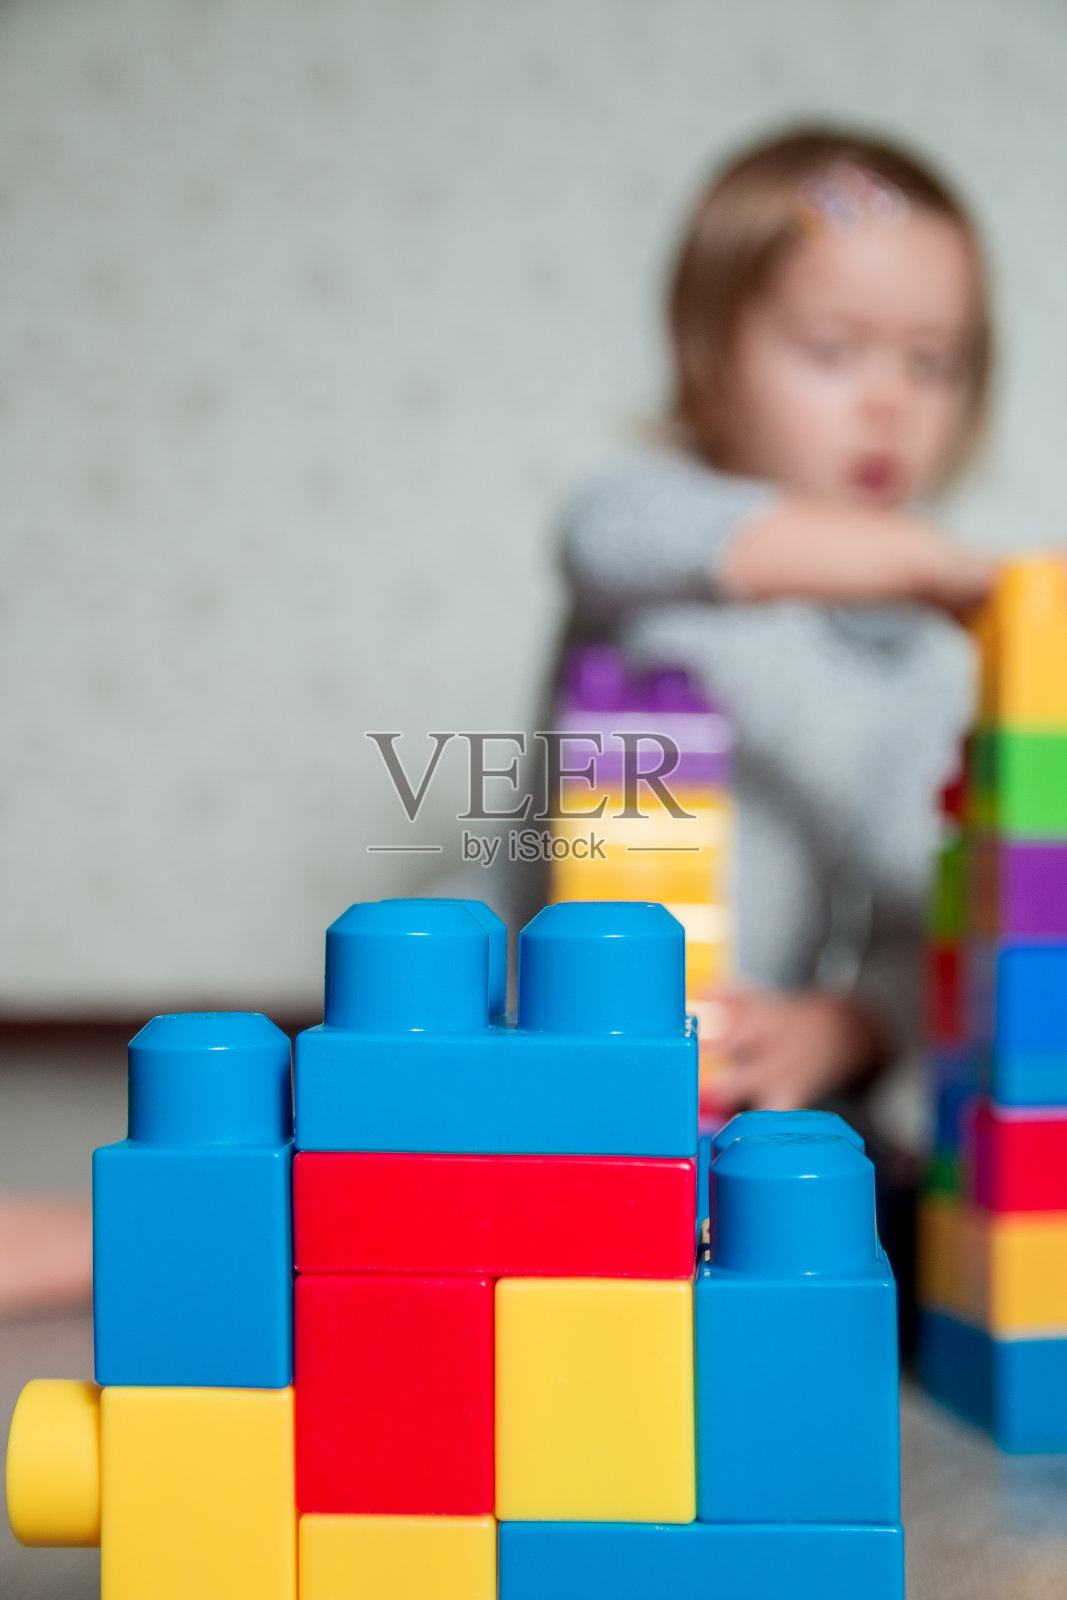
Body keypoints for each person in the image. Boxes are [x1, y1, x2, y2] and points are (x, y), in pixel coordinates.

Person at [558, 127, 996, 1117]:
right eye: (831, 350)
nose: (887, 401)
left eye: (931, 364)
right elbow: (607, 537)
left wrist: (834, 1029)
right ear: (707, 356)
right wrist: (931, 563)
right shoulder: (646, 526)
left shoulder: (919, 666)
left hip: (722, 1079)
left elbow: (903, 930)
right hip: (532, 1030)